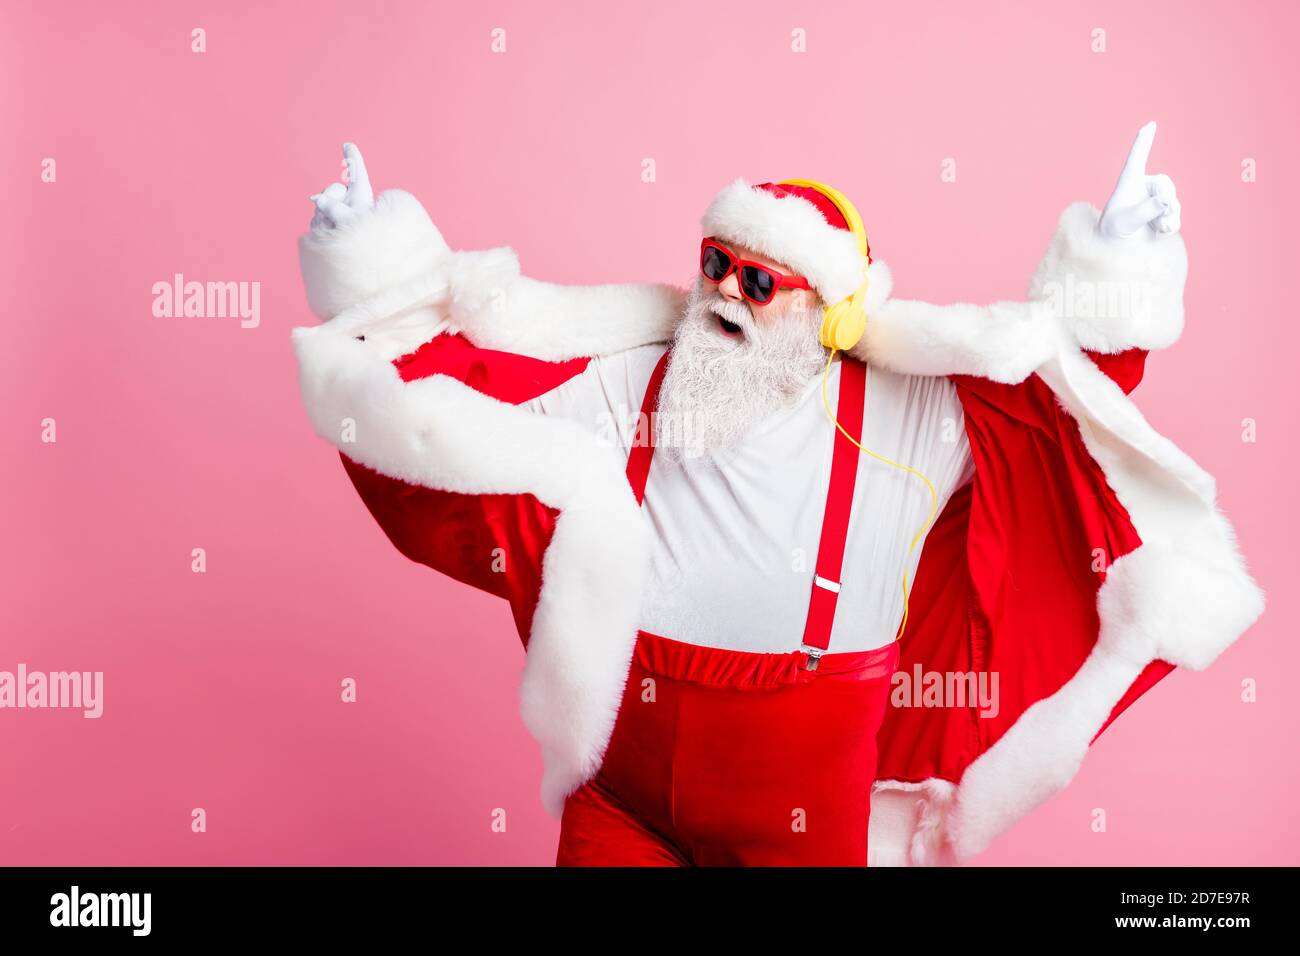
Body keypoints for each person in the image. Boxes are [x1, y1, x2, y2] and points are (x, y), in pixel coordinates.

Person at [292, 124, 1262, 865]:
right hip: (618, 798)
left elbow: (1061, 409)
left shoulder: (905, 414)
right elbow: (461, 415)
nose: (723, 295)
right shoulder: (627, 377)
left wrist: (1111, 271)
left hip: (799, 810)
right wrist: (383, 278)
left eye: (759, 280)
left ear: (829, 313)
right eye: (715, 264)